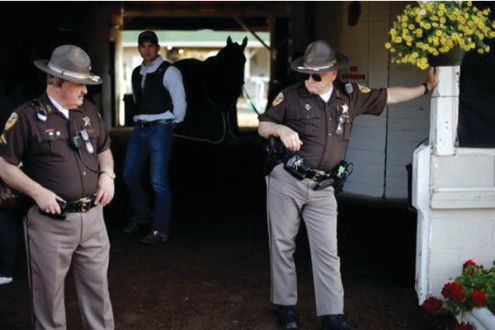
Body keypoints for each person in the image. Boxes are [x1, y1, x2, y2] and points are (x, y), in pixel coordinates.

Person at [258, 40, 439, 330]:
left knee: (328, 251)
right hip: (287, 181)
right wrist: (281, 129)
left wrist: (426, 87)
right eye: (306, 74)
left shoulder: (350, 97)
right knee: (282, 245)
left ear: (332, 74)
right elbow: (263, 124)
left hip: (324, 187)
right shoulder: (290, 96)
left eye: (316, 75)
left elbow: (389, 95)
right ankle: (287, 308)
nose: (309, 80)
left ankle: (332, 315)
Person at [0, 44, 115, 329]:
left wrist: (107, 174)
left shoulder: (89, 110)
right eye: (80, 84)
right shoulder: (25, 116)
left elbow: (103, 148)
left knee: (98, 293)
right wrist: (37, 192)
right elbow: (4, 165)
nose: (85, 91)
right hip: (51, 223)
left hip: (93, 219)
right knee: (48, 299)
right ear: (57, 81)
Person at [122, 30, 186, 245]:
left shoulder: (169, 71)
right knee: (129, 175)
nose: (147, 50)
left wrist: (170, 122)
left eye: (151, 46)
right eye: (143, 46)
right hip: (140, 128)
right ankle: (142, 215)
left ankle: (160, 230)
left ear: (157, 48)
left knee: (158, 181)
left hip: (160, 128)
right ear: (139, 48)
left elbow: (180, 101)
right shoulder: (136, 72)